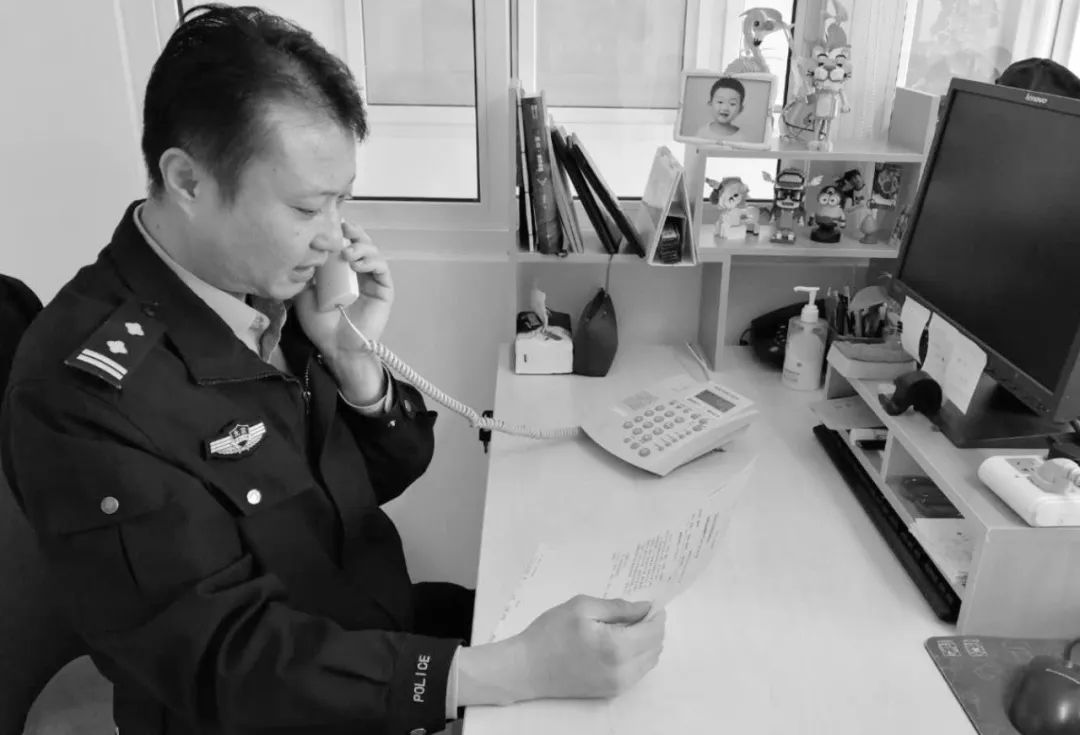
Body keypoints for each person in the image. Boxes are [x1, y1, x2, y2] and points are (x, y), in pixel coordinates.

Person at [0, 5, 665, 735]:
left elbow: (371, 481)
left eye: (341, 201)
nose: (333, 239)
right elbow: (229, 661)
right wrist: (508, 671)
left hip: (370, 634)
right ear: (188, 180)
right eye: (306, 207)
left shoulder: (263, 288)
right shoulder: (82, 393)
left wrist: (354, 363)